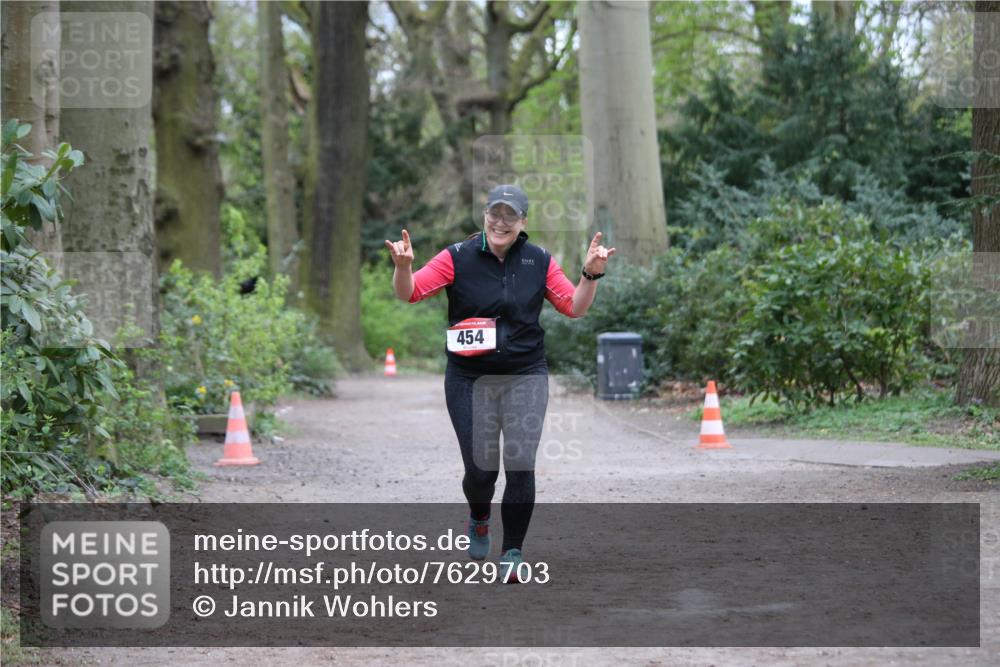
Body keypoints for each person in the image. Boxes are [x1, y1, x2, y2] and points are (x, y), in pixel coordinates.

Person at [384, 184, 615, 582]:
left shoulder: (538, 260)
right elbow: (411, 293)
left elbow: (574, 306)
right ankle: (478, 515)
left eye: (510, 215)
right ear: (485, 215)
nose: (501, 221)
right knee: (481, 471)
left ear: (523, 222)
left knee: (521, 463)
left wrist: (591, 273)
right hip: (468, 378)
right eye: (495, 213)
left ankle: (513, 552)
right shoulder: (456, 257)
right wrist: (403, 267)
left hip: (525, 373)